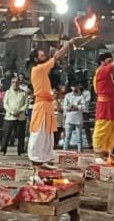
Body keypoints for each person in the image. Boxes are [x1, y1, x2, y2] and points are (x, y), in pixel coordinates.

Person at [28, 39, 77, 167]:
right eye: (42, 55)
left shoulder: (43, 70)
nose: (45, 57)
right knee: (39, 132)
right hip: (41, 105)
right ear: (36, 59)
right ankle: (35, 159)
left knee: (47, 133)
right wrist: (68, 44)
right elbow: (56, 57)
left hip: (48, 104)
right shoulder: (38, 69)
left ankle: (43, 159)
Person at [0, 76, 28, 157]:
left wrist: (20, 111)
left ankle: (21, 151)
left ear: (19, 83)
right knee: (6, 134)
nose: (15, 84)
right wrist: (12, 112)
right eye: (13, 82)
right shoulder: (8, 92)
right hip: (9, 117)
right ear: (11, 83)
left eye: (16, 82)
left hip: (20, 117)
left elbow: (26, 103)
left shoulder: (23, 92)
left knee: (21, 135)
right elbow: (5, 104)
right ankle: (3, 150)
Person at [62, 84, 89, 150]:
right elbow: (64, 106)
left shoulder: (81, 96)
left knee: (79, 137)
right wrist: (70, 107)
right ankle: (65, 150)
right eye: (73, 87)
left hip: (78, 119)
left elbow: (84, 107)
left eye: (75, 87)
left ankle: (80, 151)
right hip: (69, 118)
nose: (74, 88)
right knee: (67, 136)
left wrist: (76, 107)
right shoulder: (68, 95)